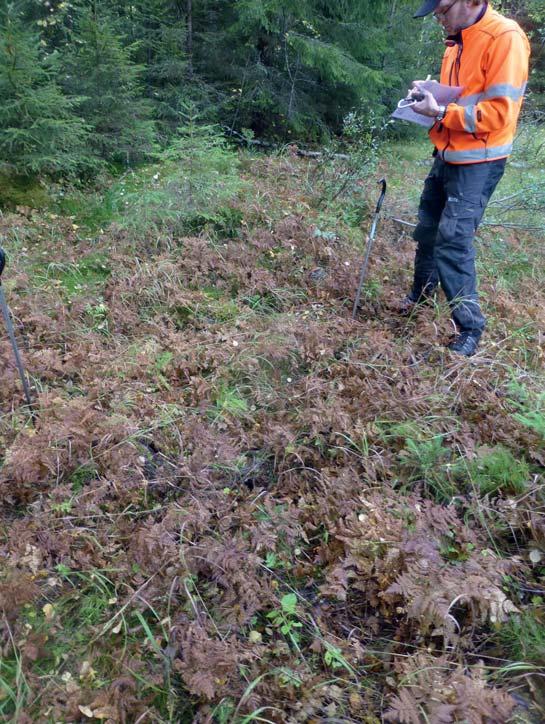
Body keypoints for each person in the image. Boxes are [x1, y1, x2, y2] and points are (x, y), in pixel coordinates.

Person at [400, 0, 530, 356]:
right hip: (446, 153)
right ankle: (420, 296)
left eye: (442, 11)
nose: (438, 19)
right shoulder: (456, 41)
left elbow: (499, 114)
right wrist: (429, 95)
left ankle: (469, 328)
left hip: (479, 162)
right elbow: (460, 96)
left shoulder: (505, 38)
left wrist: (440, 110)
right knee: (427, 228)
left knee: (453, 239)